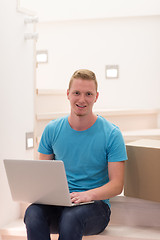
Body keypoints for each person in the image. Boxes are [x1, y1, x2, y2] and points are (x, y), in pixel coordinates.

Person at [24, 69, 127, 240]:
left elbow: (117, 185)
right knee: (33, 214)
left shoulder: (112, 134)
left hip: (95, 207)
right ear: (68, 94)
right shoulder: (52, 130)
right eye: (76, 93)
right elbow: (43, 176)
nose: (82, 99)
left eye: (88, 94)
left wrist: (88, 195)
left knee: (71, 218)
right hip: (60, 204)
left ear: (96, 97)